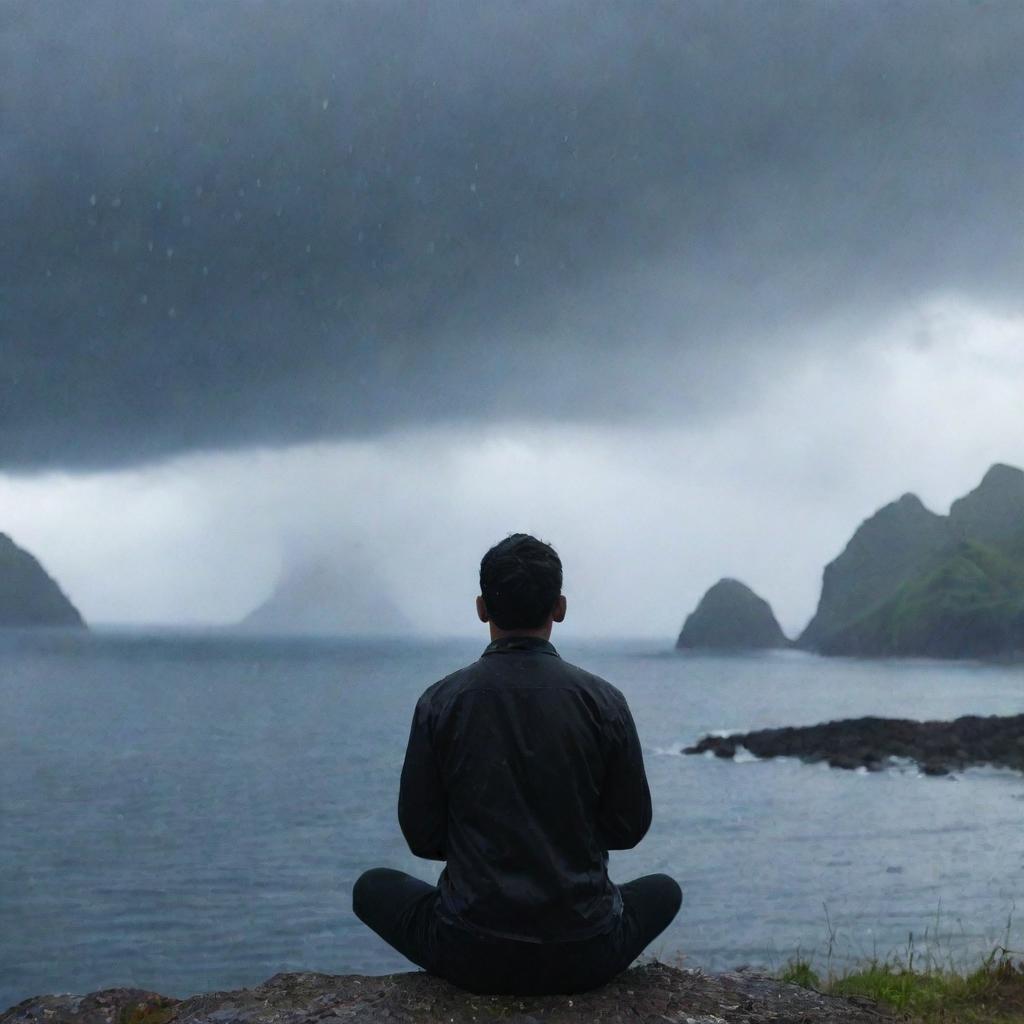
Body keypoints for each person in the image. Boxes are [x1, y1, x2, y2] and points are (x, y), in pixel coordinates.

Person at [352, 533, 681, 995]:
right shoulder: (605, 702)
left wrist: (489, 845)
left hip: (469, 951)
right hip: (586, 951)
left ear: (482, 607)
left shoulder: (440, 702)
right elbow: (628, 829)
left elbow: (421, 837)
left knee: (371, 888)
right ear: (560, 607)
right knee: (664, 890)